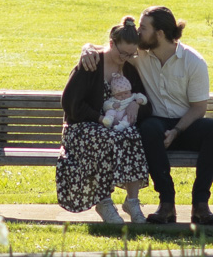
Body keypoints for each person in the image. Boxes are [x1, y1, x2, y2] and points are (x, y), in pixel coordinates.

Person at [79, 5, 213, 225]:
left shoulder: (193, 62)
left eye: (143, 28)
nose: (138, 32)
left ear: (160, 34)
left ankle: (201, 204)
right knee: (147, 128)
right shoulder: (139, 55)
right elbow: (109, 49)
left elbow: (198, 108)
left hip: (185, 125)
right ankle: (166, 203)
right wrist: (87, 48)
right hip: (155, 128)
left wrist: (176, 131)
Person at [56, 16, 152, 223]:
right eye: (122, 52)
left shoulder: (128, 69)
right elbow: (71, 104)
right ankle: (104, 201)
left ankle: (132, 202)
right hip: (81, 127)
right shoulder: (92, 63)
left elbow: (145, 101)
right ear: (111, 43)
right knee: (104, 137)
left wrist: (137, 102)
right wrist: (99, 118)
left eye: (130, 54)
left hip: (114, 127)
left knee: (132, 135)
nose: (125, 57)